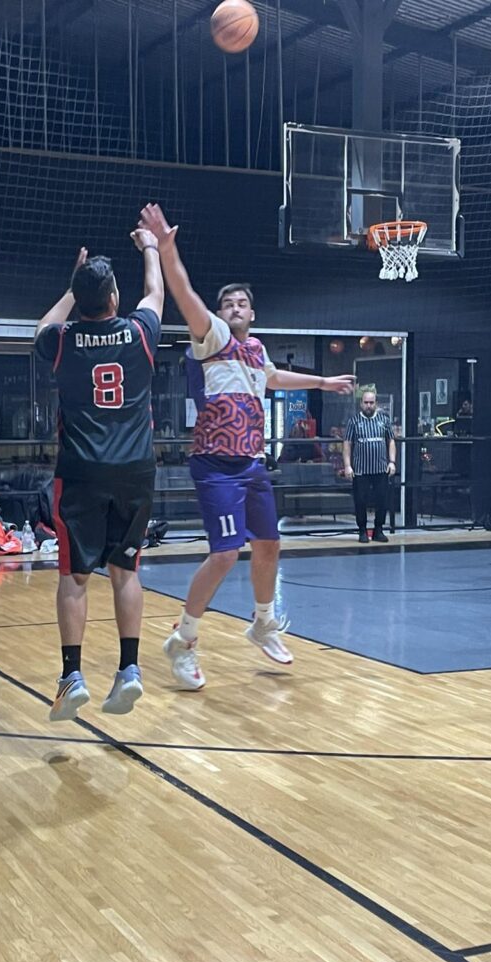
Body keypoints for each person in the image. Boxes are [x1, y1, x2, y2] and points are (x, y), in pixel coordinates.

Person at [137, 202, 355, 690]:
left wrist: (322, 382)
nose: (235, 308)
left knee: (270, 545)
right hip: (215, 464)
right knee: (224, 554)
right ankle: (183, 641)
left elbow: (272, 377)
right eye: (228, 303)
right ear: (220, 313)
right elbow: (184, 293)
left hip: (252, 463)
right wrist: (167, 250)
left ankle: (262, 622)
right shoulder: (212, 337)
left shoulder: (255, 349)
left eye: (242, 304)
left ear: (252, 313)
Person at [34, 226, 163, 721]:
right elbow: (155, 292)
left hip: (82, 471)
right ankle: (129, 669)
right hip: (135, 470)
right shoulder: (139, 333)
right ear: (113, 297)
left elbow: (42, 327)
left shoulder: (62, 341)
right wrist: (150, 247)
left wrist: (71, 288)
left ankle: (72, 676)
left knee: (74, 576)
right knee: (126, 570)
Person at [343, 389, 396, 543]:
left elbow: (391, 441)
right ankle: (362, 531)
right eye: (366, 402)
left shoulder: (384, 420)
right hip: (360, 469)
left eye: (371, 402)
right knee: (360, 501)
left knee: (382, 500)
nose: (368, 405)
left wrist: (392, 462)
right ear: (361, 404)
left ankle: (379, 530)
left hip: (381, 468)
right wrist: (347, 465)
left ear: (376, 403)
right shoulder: (354, 421)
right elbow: (347, 444)